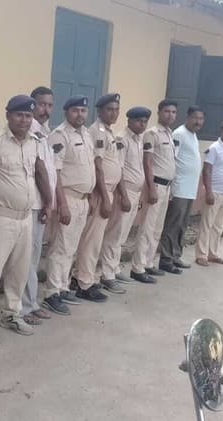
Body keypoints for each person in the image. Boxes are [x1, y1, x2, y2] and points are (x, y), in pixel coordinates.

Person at [0, 95, 52, 351]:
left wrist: (47, 203)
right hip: (1, 217)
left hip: (25, 217)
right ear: (8, 115)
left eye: (28, 116)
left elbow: (38, 172)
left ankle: (12, 314)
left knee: (19, 270)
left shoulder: (34, 142)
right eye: (19, 115)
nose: (24, 120)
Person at [42, 95, 96, 315]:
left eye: (83, 111)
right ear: (66, 112)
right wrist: (62, 204)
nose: (80, 115)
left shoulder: (86, 134)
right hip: (68, 199)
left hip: (83, 199)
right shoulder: (59, 135)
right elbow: (55, 172)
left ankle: (63, 287)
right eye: (75, 110)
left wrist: (90, 197)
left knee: (71, 248)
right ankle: (52, 293)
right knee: (60, 248)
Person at [71, 93, 124, 302]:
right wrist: (104, 197)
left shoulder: (109, 132)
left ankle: (83, 276)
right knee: (91, 241)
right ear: (100, 111)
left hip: (108, 191)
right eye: (109, 109)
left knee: (95, 239)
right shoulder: (97, 131)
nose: (114, 113)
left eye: (116, 109)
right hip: (101, 193)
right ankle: (84, 282)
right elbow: (98, 166)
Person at [98, 106, 150, 290]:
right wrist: (124, 195)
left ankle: (115, 267)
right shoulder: (122, 139)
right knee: (115, 233)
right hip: (124, 191)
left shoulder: (139, 139)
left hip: (136, 191)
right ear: (129, 121)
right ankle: (107, 274)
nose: (142, 124)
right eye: (138, 121)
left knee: (123, 234)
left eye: (145, 122)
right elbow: (119, 168)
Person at [130, 100, 179, 282]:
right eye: (166, 111)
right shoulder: (152, 133)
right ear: (159, 113)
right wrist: (151, 188)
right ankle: (138, 267)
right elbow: (148, 162)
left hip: (166, 186)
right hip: (155, 185)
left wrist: (171, 187)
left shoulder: (169, 134)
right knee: (147, 228)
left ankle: (149, 263)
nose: (170, 115)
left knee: (157, 229)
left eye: (173, 112)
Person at [21, 86, 56, 325]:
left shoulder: (44, 132)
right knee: (26, 258)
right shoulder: (29, 132)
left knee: (33, 257)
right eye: (42, 104)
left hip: (42, 204)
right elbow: (38, 170)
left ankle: (31, 303)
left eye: (50, 105)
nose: (46, 110)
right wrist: (48, 201)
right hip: (33, 203)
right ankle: (24, 307)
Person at [158, 106, 205, 274]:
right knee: (173, 224)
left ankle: (175, 255)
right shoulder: (179, 134)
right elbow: (172, 159)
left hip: (189, 189)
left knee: (182, 225)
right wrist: (172, 186)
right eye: (195, 118)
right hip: (179, 188)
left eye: (201, 119)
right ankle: (166, 259)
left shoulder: (193, 135)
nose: (198, 122)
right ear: (188, 117)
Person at [195, 119, 223, 266]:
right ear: (221, 130)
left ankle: (213, 254)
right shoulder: (214, 148)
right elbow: (206, 170)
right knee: (206, 225)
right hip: (214, 192)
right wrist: (208, 191)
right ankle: (201, 255)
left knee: (218, 226)